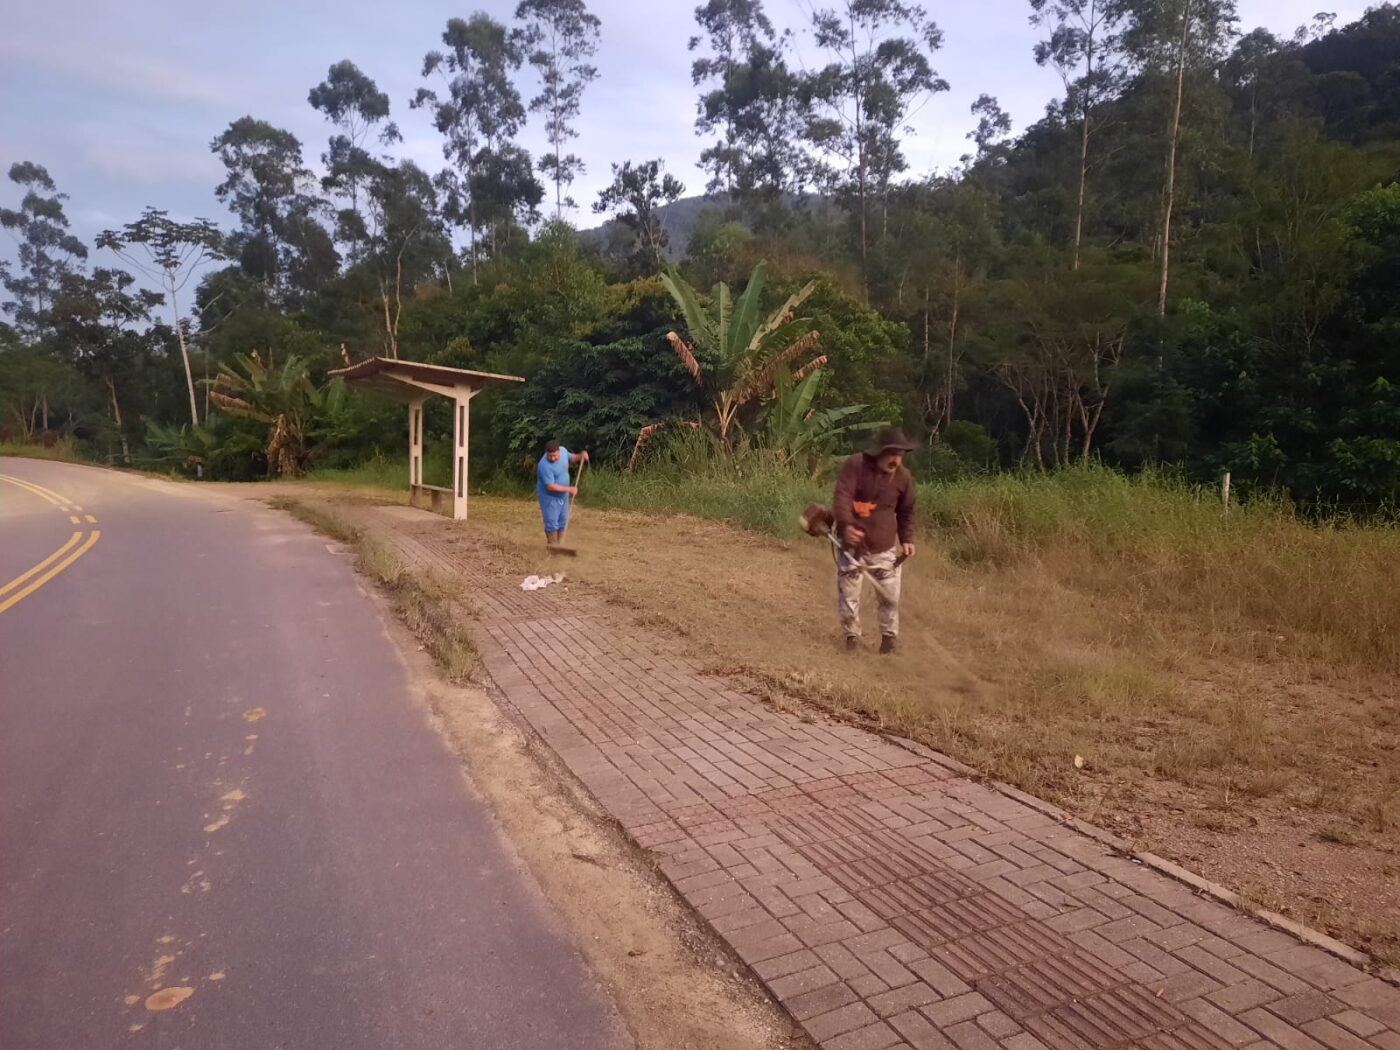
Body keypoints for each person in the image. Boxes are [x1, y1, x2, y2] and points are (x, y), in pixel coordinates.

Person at [832, 426, 917, 654]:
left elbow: (907, 511)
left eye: (900, 455)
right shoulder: (856, 465)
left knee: (890, 597)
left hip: (885, 548)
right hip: (853, 546)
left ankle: (889, 640)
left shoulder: (904, 478)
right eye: (892, 454)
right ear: (879, 452)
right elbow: (842, 498)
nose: (896, 460)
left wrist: (907, 539)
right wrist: (847, 525)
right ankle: (851, 639)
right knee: (850, 595)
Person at [536, 439, 589, 546]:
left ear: (559, 451)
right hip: (549, 497)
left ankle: (561, 545)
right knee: (552, 522)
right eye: (550, 456)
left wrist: (581, 456)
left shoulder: (563, 451)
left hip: (563, 496)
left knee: (563, 520)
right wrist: (569, 489)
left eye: (555, 455)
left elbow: (571, 457)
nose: (553, 458)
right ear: (546, 453)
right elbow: (550, 486)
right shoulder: (544, 466)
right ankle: (553, 546)